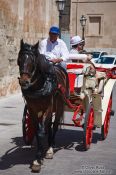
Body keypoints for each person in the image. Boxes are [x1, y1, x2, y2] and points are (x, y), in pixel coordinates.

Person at [39, 26, 70, 97]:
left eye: (55, 34)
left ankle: (64, 84)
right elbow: (41, 54)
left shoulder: (61, 43)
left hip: (58, 63)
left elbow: (66, 55)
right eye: (52, 34)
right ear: (49, 34)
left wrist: (58, 60)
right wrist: (47, 61)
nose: (53, 35)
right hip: (46, 63)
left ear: (57, 35)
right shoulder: (44, 43)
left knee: (63, 64)